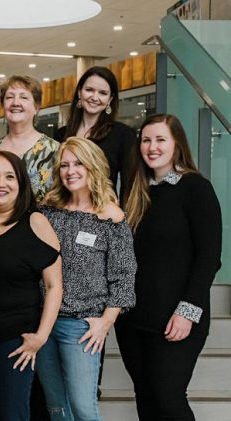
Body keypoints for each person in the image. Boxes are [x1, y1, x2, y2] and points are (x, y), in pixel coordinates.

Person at [117, 114, 222, 420]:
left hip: (177, 318)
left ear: (177, 144)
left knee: (168, 398)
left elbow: (209, 258)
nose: (152, 147)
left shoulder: (196, 188)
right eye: (146, 140)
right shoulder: (136, 192)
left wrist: (187, 311)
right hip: (133, 320)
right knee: (146, 399)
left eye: (160, 139)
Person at [36, 137, 136, 420]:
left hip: (80, 326)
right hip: (43, 322)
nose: (71, 171)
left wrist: (106, 322)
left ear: (93, 167)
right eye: (65, 165)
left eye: (78, 163)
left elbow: (124, 275)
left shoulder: (110, 218)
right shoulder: (47, 212)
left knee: (83, 408)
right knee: (56, 407)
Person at [0, 150, 63, 421]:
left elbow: (54, 285)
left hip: (18, 342)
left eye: (10, 177)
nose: (1, 183)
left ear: (21, 184)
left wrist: (41, 337)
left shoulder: (35, 222)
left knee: (14, 415)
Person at [55, 66, 137, 198]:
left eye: (103, 93)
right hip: (65, 211)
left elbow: (129, 186)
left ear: (110, 99)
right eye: (89, 90)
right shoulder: (61, 134)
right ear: (79, 93)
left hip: (104, 212)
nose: (95, 97)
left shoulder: (123, 135)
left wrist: (123, 217)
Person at [0, 75, 60, 203]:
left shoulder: (55, 151)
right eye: (10, 97)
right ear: (3, 106)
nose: (16, 103)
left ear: (36, 107)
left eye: (24, 97)